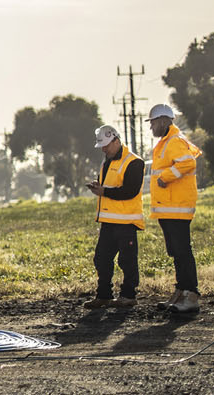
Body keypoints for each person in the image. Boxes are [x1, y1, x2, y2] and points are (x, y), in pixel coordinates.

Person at [146, 104, 203, 314]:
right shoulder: (165, 142)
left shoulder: (174, 141)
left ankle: (191, 295)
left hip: (177, 208)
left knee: (182, 252)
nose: (151, 127)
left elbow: (188, 164)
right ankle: (181, 292)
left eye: (152, 123)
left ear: (162, 121)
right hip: (168, 208)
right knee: (176, 252)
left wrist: (165, 177)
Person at [84, 125, 144, 309]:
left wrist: (104, 191)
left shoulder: (134, 162)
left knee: (127, 261)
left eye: (106, 145)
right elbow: (111, 185)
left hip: (126, 222)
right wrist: (99, 187)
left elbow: (130, 191)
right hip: (109, 222)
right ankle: (103, 295)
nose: (103, 148)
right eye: (101, 145)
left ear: (116, 141)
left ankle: (128, 296)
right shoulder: (107, 162)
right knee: (101, 258)